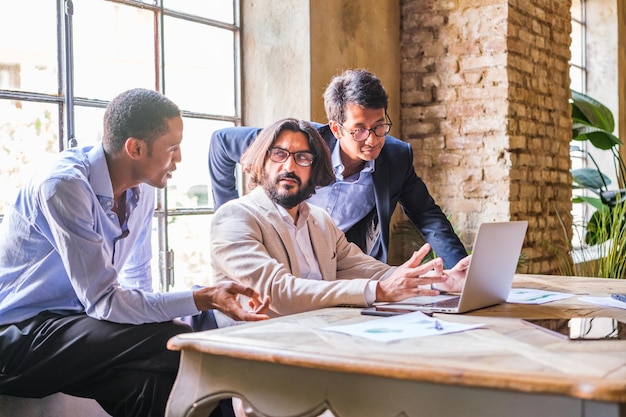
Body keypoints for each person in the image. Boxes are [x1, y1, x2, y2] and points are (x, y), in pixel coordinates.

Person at [0, 88, 269, 417]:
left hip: (78, 328)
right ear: (136, 148)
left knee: (150, 387)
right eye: (173, 148)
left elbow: (137, 280)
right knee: (174, 340)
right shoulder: (64, 187)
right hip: (18, 338)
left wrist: (178, 305)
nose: (180, 159)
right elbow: (105, 301)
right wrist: (204, 298)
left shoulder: (140, 194)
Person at [211, 118, 471, 319]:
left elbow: (366, 268)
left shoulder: (320, 221)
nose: (289, 167)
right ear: (261, 160)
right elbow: (278, 292)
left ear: (314, 170)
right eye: (279, 154)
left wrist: (440, 280)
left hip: (324, 340)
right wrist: (378, 291)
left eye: (302, 158)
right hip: (262, 356)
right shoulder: (234, 217)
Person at [209, 68, 467, 269]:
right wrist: (229, 216)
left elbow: (428, 215)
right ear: (336, 128)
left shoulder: (396, 157)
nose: (373, 139)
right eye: (359, 130)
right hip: (277, 254)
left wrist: (461, 269)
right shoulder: (298, 143)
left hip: (338, 264)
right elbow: (221, 142)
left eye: (379, 126)